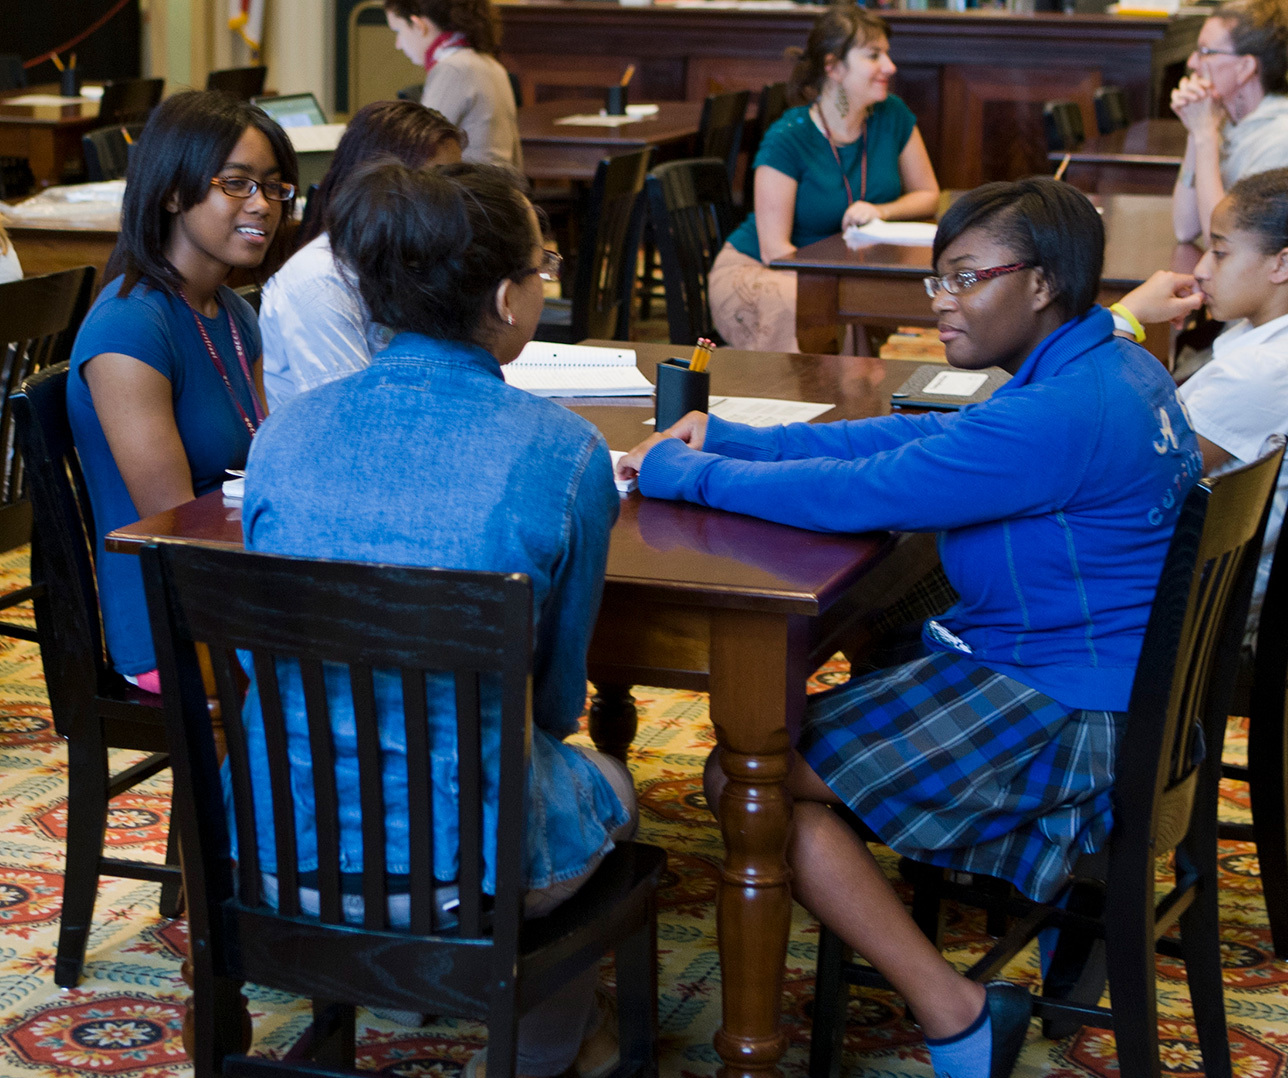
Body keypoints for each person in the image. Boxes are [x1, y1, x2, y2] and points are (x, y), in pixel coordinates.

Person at [618, 178, 1201, 1078]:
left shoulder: (1054, 417)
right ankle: (934, 881)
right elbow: (902, 445)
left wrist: (683, 477)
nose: (941, 303)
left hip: (1068, 710)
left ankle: (956, 1011)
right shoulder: (1111, 367)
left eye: (965, 279)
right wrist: (732, 440)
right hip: (1114, 684)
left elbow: (865, 493)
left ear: (1041, 283)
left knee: (748, 775)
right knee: (886, 621)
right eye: (938, 281)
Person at [241, 159, 629, 1078]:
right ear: (505, 297)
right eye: (540, 271)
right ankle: (545, 1052)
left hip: (277, 850)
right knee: (610, 786)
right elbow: (556, 702)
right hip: (469, 877)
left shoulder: (281, 437)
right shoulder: (563, 452)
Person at [67, 90, 296, 693]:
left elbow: (264, 457)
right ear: (173, 192)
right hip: (173, 621)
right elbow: (175, 531)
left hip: (240, 586)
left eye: (274, 187)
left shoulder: (232, 312)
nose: (263, 205)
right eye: (238, 184)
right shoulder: (129, 328)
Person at [1115, 167, 1288, 645]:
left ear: (1281, 264)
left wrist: (1124, 321)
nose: (1203, 269)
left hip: (1197, 607)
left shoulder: (1261, 371)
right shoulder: (1256, 348)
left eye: (1220, 251)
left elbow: (1130, 471)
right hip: (1213, 585)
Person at [708, 4, 939, 353]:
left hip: (838, 275)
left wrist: (882, 211)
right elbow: (776, 252)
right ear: (833, 67)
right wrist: (842, 287)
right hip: (762, 270)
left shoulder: (892, 115)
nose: (890, 67)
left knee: (850, 307)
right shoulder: (787, 137)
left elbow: (928, 194)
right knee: (824, 311)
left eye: (887, 55)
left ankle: (858, 400)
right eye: (874, 56)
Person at [259, 99, 464, 409]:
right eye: (438, 180)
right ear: (383, 181)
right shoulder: (319, 280)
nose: (455, 198)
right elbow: (353, 416)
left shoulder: (412, 258)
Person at [1171, 0, 1288, 244]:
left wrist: (1205, 136)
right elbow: (1184, 227)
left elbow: (1226, 242)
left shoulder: (1279, 139)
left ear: (1245, 67)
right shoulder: (1227, 123)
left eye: (1206, 52)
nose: (1192, 62)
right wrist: (1196, 131)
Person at [383, 0, 522, 170]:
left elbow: (418, 154)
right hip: (495, 191)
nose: (398, 44)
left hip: (469, 192)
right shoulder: (489, 64)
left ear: (419, 26)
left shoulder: (453, 69)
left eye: (398, 31)